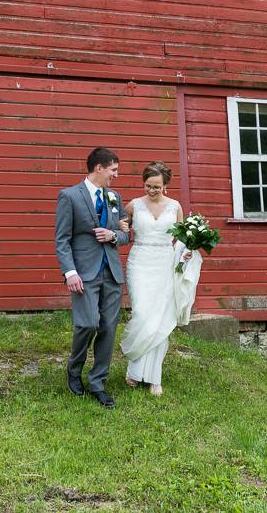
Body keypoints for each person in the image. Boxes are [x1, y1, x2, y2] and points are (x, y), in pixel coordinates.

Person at [55, 147, 130, 409]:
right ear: (99, 168)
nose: (116, 176)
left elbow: (125, 234)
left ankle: (98, 382)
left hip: (111, 271)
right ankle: (74, 370)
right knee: (87, 324)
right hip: (83, 273)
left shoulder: (114, 196)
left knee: (108, 328)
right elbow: (62, 240)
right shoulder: (69, 196)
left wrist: (113, 236)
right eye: (113, 170)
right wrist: (70, 272)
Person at [119, 162, 191, 396]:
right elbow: (119, 230)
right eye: (148, 186)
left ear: (165, 186)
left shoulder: (175, 207)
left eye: (157, 187)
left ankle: (154, 377)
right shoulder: (133, 205)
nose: (152, 190)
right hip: (139, 262)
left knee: (160, 317)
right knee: (142, 314)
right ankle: (135, 369)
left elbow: (181, 238)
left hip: (164, 263)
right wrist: (120, 226)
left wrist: (186, 252)